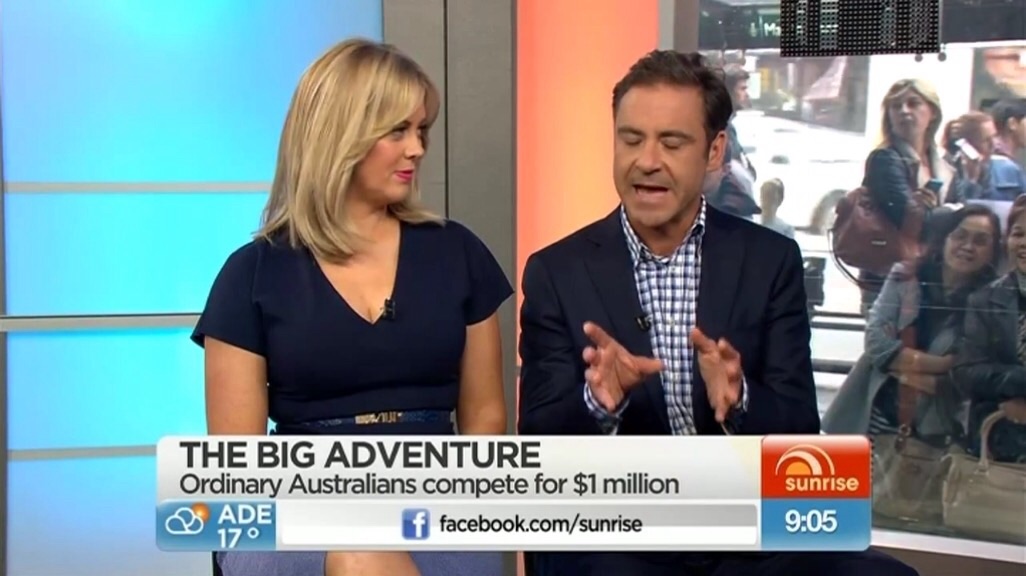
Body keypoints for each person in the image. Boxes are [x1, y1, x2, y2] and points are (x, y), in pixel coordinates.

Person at [517, 49, 917, 576]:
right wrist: (598, 401)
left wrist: (741, 399)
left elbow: (800, 428)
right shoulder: (557, 271)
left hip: (746, 534)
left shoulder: (769, 260)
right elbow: (537, 439)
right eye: (631, 139)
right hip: (622, 538)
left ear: (713, 151)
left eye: (671, 142)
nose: (647, 161)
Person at [192, 38, 511, 576]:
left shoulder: (458, 253)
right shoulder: (251, 275)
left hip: (436, 502)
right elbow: (238, 469)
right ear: (340, 135)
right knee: (360, 557)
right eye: (397, 131)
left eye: (421, 130)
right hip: (293, 506)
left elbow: (485, 417)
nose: (417, 149)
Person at [857, 79, 949, 315]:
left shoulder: (943, 165)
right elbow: (910, 218)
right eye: (896, 106)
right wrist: (949, 215)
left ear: (932, 112)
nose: (904, 111)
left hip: (929, 275)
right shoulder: (884, 159)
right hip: (888, 277)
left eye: (913, 103)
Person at [955, 195, 1026, 465]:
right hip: (1001, 445)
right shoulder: (984, 299)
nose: (1024, 243)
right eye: (1018, 234)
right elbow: (967, 372)